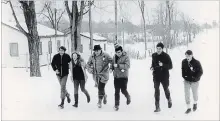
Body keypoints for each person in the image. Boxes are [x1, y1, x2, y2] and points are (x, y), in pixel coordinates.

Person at [150, 42, 173, 112]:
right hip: (156, 75)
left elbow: (171, 66)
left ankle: (169, 99)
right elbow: (153, 64)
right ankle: (157, 107)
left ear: (162, 49)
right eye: (157, 48)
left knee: (165, 88)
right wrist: (151, 67)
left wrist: (163, 65)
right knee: (156, 90)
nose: (158, 50)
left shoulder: (166, 56)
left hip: (164, 76)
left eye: (159, 49)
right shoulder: (154, 55)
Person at [181, 50, 203, 114]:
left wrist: (195, 78)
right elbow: (182, 71)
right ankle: (188, 108)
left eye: (189, 55)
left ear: (192, 55)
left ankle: (195, 103)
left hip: (194, 82)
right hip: (187, 81)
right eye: (186, 55)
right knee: (187, 94)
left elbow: (201, 72)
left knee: (195, 94)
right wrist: (185, 77)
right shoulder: (184, 62)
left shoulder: (196, 62)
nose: (187, 57)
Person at [110, 45, 131, 111]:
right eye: (116, 52)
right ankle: (116, 105)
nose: (118, 54)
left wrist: (118, 65)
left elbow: (127, 65)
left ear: (122, 51)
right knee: (116, 91)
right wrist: (111, 68)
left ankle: (128, 96)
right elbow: (112, 64)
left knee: (123, 90)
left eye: (119, 52)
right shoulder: (114, 56)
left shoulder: (126, 57)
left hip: (123, 77)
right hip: (116, 76)